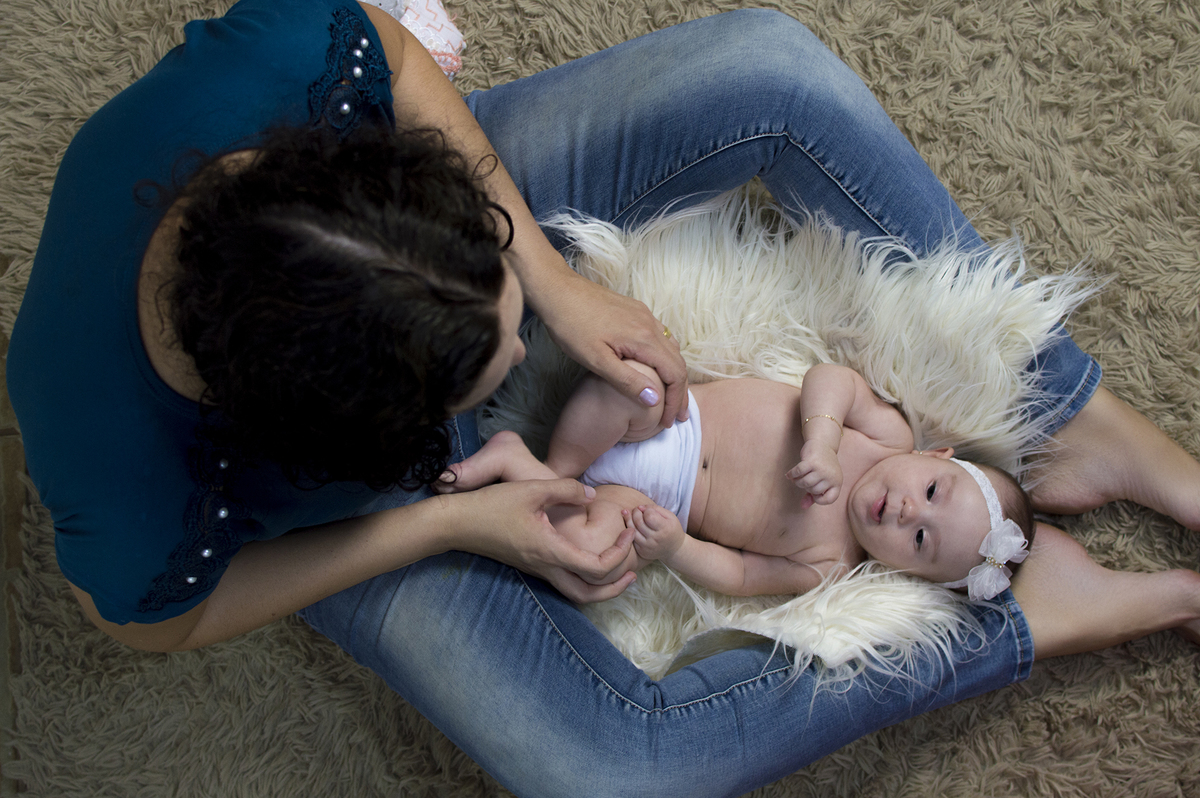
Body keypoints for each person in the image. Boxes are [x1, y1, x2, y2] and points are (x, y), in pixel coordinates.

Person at [7, 1, 1200, 795]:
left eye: (499, 303)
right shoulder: (127, 491)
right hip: (368, 510)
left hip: (419, 293)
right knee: (616, 771)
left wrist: (550, 278)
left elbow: (398, 54)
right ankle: (1020, 618)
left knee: (767, 70)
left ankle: (1065, 413)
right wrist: (449, 521)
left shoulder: (279, 59)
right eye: (495, 358)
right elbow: (151, 624)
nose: (527, 346)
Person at [440, 362, 1039, 599]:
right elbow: (830, 377)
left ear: (906, 575)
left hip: (647, 504)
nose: (909, 511)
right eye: (932, 490)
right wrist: (823, 442)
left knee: (596, 558)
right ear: (936, 454)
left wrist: (676, 546)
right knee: (631, 385)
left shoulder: (831, 564)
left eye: (920, 541)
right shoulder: (888, 437)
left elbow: (743, 576)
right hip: (669, 421)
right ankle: (555, 472)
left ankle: (521, 465)